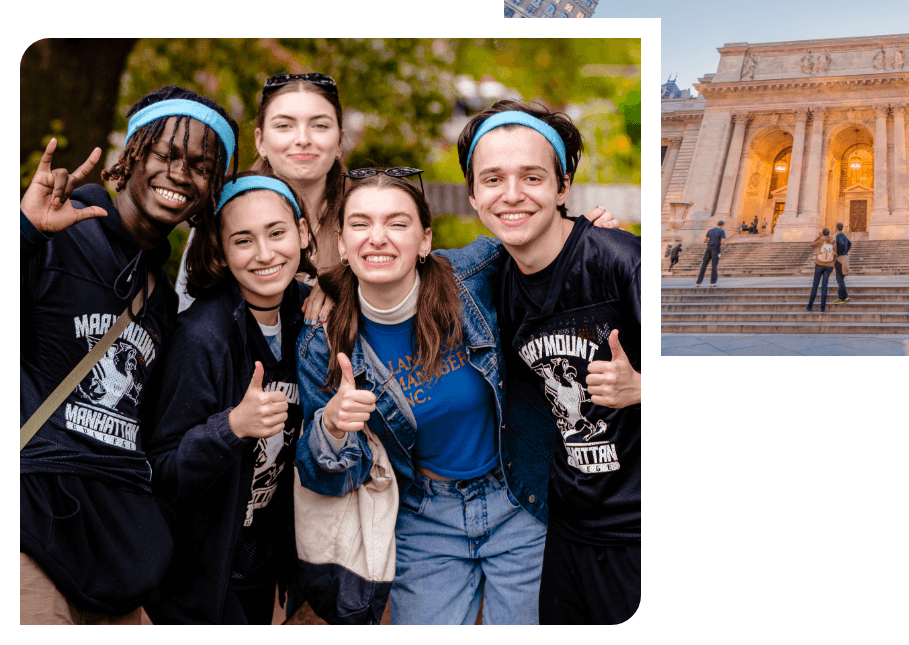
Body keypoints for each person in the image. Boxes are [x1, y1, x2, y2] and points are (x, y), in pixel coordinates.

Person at [295, 170, 552, 625]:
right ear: (340, 241)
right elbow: (325, 479)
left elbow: (541, 240)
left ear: (425, 239)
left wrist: (589, 233)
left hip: (517, 498)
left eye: (397, 223)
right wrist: (332, 426)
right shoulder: (323, 340)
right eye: (360, 224)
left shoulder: (469, 278)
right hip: (424, 516)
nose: (377, 238)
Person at [21, 85, 237, 624]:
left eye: (202, 166)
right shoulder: (58, 231)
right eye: (167, 154)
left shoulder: (161, 297)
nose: (181, 174)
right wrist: (23, 233)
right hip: (34, 527)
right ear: (134, 154)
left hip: (118, 554)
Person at [457, 101, 641, 626]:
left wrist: (644, 387)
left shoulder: (622, 263)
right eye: (492, 179)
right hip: (563, 525)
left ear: (563, 188)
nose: (511, 194)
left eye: (532, 177)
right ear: (473, 195)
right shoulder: (496, 285)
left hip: (636, 529)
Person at [145, 173, 314, 623]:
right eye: (243, 240)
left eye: (277, 233)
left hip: (260, 564)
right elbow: (161, 471)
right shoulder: (201, 339)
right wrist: (231, 427)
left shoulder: (311, 315)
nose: (265, 254)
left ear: (301, 231)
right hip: (196, 580)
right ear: (220, 250)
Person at [177, 72, 345, 327]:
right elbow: (188, 315)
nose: (302, 139)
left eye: (320, 125)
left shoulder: (364, 223)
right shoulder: (222, 214)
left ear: (340, 141)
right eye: (284, 125)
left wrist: (347, 288)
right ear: (260, 141)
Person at [805, 227, 835, 312]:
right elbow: (835, 253)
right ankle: (822, 308)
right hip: (829, 265)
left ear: (822, 233)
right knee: (824, 287)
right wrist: (833, 265)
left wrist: (819, 237)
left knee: (815, 286)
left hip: (819, 264)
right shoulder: (833, 241)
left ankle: (809, 307)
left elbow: (812, 244)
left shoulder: (820, 240)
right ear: (829, 233)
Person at [696, 221, 726, 287]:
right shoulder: (721, 231)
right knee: (714, 266)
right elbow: (722, 241)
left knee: (704, 265)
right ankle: (713, 283)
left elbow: (704, 240)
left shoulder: (710, 230)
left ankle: (698, 282)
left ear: (717, 224)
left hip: (708, 248)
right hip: (715, 249)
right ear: (722, 225)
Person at [832, 222, 851, 305]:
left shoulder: (838, 236)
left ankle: (841, 298)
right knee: (841, 279)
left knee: (839, 278)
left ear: (836, 228)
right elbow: (849, 244)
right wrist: (845, 252)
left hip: (840, 259)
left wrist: (838, 253)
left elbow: (842, 244)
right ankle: (845, 295)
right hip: (845, 258)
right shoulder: (844, 236)